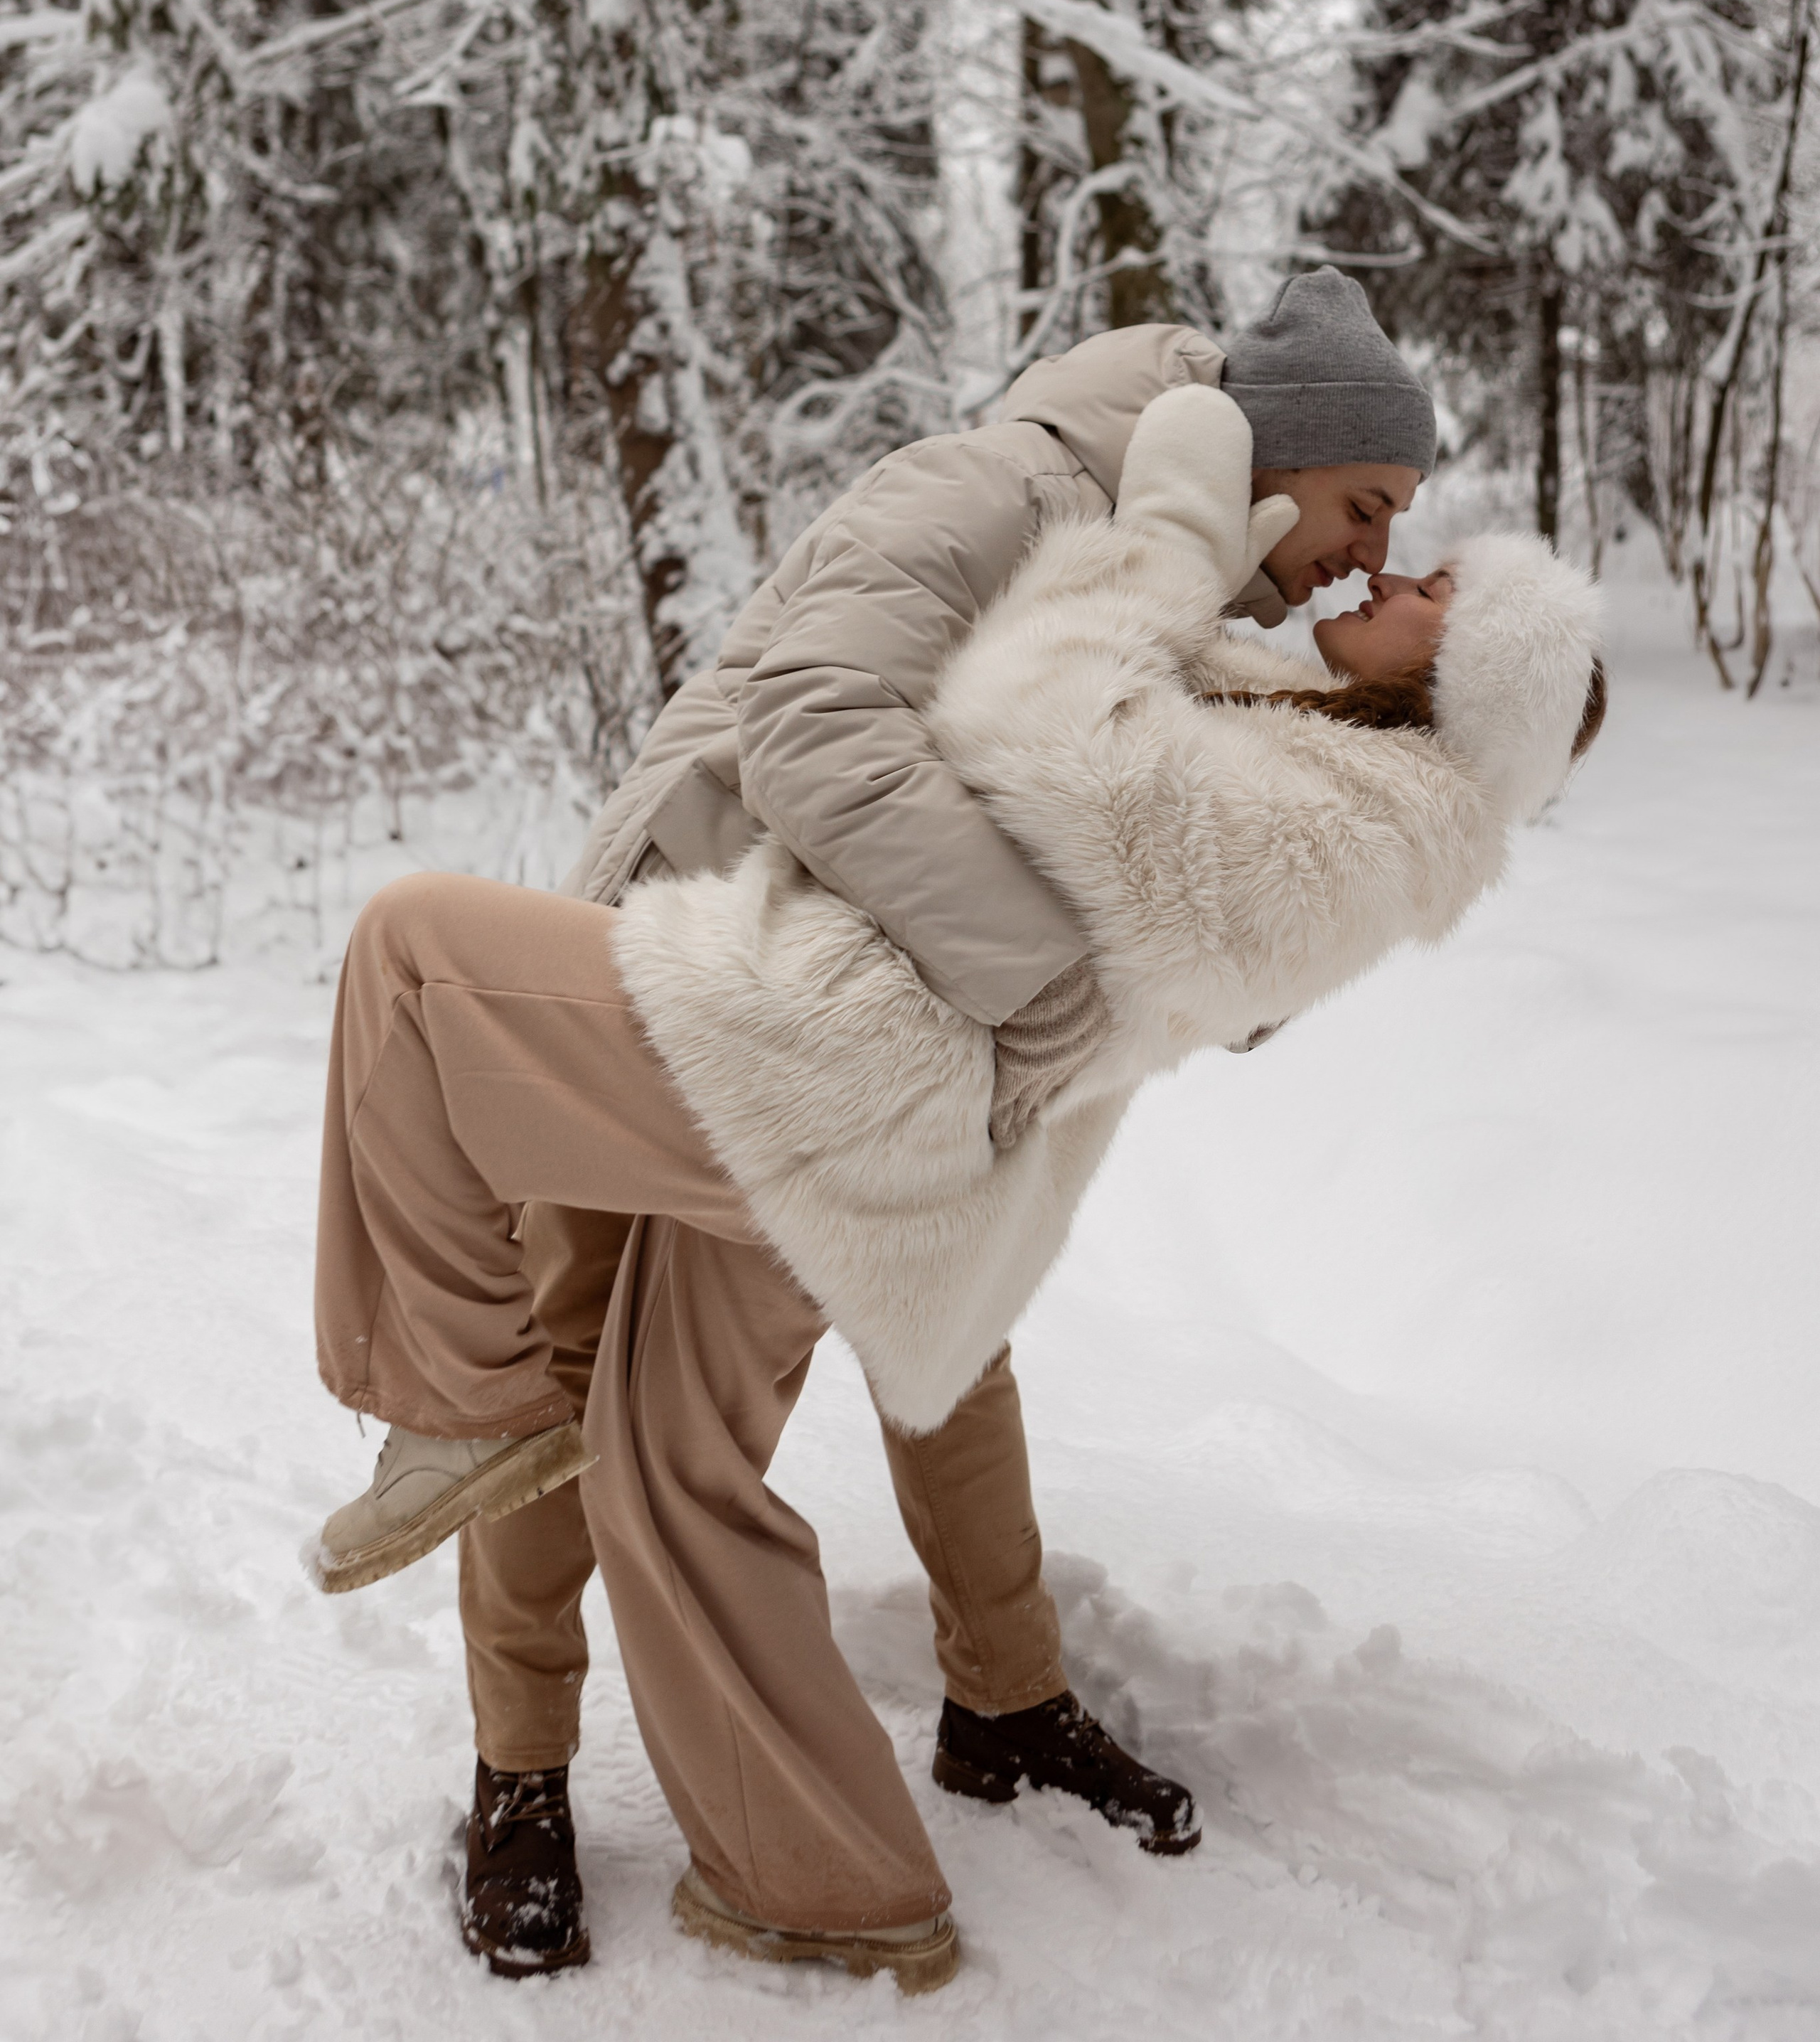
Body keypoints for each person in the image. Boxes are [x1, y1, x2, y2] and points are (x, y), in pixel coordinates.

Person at [311, 370, 1604, 1997]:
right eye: (1373, 512)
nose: (1376, 559)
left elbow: (1094, 790)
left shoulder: (1243, 638)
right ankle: (595, 1793)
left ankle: (909, 1746)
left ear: (1460, 694)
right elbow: (817, 729)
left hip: (833, 1027)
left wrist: (1080, 972)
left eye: (1417, 573)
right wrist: (1081, 962)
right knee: (623, 1404)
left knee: (632, 1406)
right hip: (717, 909)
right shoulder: (1008, 494)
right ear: (1283, 450)